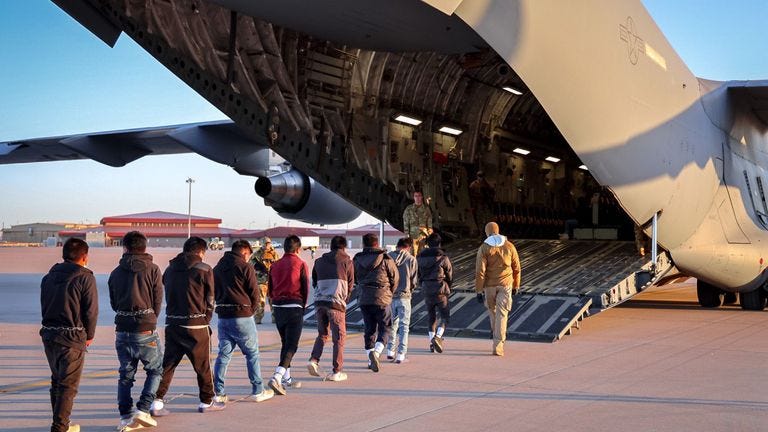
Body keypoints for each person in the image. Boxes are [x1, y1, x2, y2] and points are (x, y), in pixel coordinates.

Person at [150, 237, 223, 416]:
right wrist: (206, 318)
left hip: (173, 323)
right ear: (200, 252)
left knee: (168, 364)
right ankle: (206, 401)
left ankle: (156, 401)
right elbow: (211, 298)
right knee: (203, 365)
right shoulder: (204, 269)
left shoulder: (169, 269)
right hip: (196, 325)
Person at [40, 238, 98, 432]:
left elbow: (44, 305)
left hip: (49, 335)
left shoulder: (48, 276)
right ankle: (60, 426)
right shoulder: (85, 277)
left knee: (57, 381)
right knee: (67, 385)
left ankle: (61, 423)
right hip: (71, 337)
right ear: (84, 257)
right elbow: (90, 311)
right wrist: (89, 335)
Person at [108, 231, 163, 431]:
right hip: (145, 327)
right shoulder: (154, 269)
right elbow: (158, 300)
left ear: (125, 247)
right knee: (155, 370)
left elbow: (114, 303)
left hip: (122, 328)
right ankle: (143, 408)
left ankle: (125, 416)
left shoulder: (115, 272)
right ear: (144, 247)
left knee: (125, 375)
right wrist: (150, 318)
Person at [212, 240, 274, 404]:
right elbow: (254, 294)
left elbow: (212, 291)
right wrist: (250, 310)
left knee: (223, 355)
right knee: (252, 354)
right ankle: (257, 390)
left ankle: (218, 392)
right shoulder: (245, 267)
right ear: (245, 252)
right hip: (242, 315)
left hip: (223, 316)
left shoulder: (217, 268)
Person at [307, 236, 354, 382]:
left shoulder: (319, 261)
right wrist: (344, 300)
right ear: (344, 247)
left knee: (322, 334)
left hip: (320, 302)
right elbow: (351, 284)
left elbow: (314, 281)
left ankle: (314, 360)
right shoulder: (347, 261)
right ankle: (336, 371)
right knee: (339, 338)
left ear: (331, 247)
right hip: (336, 304)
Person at [267, 235, 310, 395]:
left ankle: (287, 379)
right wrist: (303, 307)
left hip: (278, 307)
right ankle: (277, 377)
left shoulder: (275, 264)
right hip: (294, 306)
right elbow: (305, 288)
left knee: (285, 342)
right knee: (292, 345)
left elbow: (270, 288)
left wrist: (274, 303)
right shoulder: (300, 264)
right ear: (298, 249)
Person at [354, 233, 399, 372]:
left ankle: (370, 357)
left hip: (364, 298)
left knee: (369, 329)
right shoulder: (386, 259)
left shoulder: (357, 259)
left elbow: (354, 278)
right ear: (377, 243)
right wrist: (389, 292)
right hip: (382, 297)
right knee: (385, 327)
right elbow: (395, 279)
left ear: (363, 244)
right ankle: (377, 353)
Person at [475, 222, 521, 357]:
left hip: (489, 286)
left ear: (487, 232)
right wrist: (516, 285)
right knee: (502, 314)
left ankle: (496, 335)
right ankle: (498, 345)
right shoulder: (509, 246)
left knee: (493, 311)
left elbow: (480, 271)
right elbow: (517, 268)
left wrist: (478, 290)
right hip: (506, 285)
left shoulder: (483, 248)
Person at [417, 233, 453, 354]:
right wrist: (449, 286)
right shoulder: (443, 257)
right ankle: (438, 337)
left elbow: (418, 275)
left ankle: (431, 344)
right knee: (445, 317)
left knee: (431, 317)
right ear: (439, 243)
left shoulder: (420, 257)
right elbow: (449, 275)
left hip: (427, 289)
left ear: (428, 243)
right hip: (440, 289)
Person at [386, 237, 418, 364]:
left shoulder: (388, 257)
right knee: (404, 326)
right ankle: (401, 354)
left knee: (391, 325)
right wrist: (410, 289)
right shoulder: (411, 259)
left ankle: (390, 351)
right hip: (404, 296)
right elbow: (414, 280)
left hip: (390, 296)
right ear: (408, 247)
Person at [251, 237, 280, 324]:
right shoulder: (256, 255)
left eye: (268, 243)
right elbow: (250, 265)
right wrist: (257, 268)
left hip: (272, 281)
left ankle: (275, 318)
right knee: (260, 301)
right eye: (265, 243)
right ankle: (258, 318)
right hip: (261, 281)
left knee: (273, 301)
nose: (266, 245)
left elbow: (279, 266)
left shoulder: (274, 254)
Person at [403, 191, 433, 256]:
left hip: (424, 235)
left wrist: (430, 233)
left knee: (423, 254)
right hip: (413, 235)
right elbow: (406, 222)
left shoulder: (426, 209)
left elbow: (429, 221)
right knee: (413, 254)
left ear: (422, 197)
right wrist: (406, 234)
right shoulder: (409, 209)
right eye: (416, 196)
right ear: (413, 197)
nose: (417, 198)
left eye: (419, 196)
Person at [469, 171, 496, 235]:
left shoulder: (486, 184)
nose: (480, 178)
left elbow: (492, 193)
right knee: (480, 219)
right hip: (478, 204)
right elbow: (471, 195)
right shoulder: (474, 184)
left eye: (481, 176)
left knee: (487, 219)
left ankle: (486, 232)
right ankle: (481, 232)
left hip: (485, 204)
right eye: (479, 176)